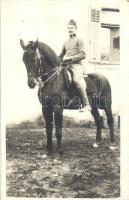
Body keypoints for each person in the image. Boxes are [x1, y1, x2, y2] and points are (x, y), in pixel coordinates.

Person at [59, 19, 91, 111]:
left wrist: (69, 58)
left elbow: (83, 54)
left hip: (77, 65)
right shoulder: (65, 42)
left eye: (72, 28)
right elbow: (61, 55)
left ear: (75, 28)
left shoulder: (79, 40)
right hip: (66, 65)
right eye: (68, 28)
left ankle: (86, 104)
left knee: (76, 80)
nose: (70, 29)